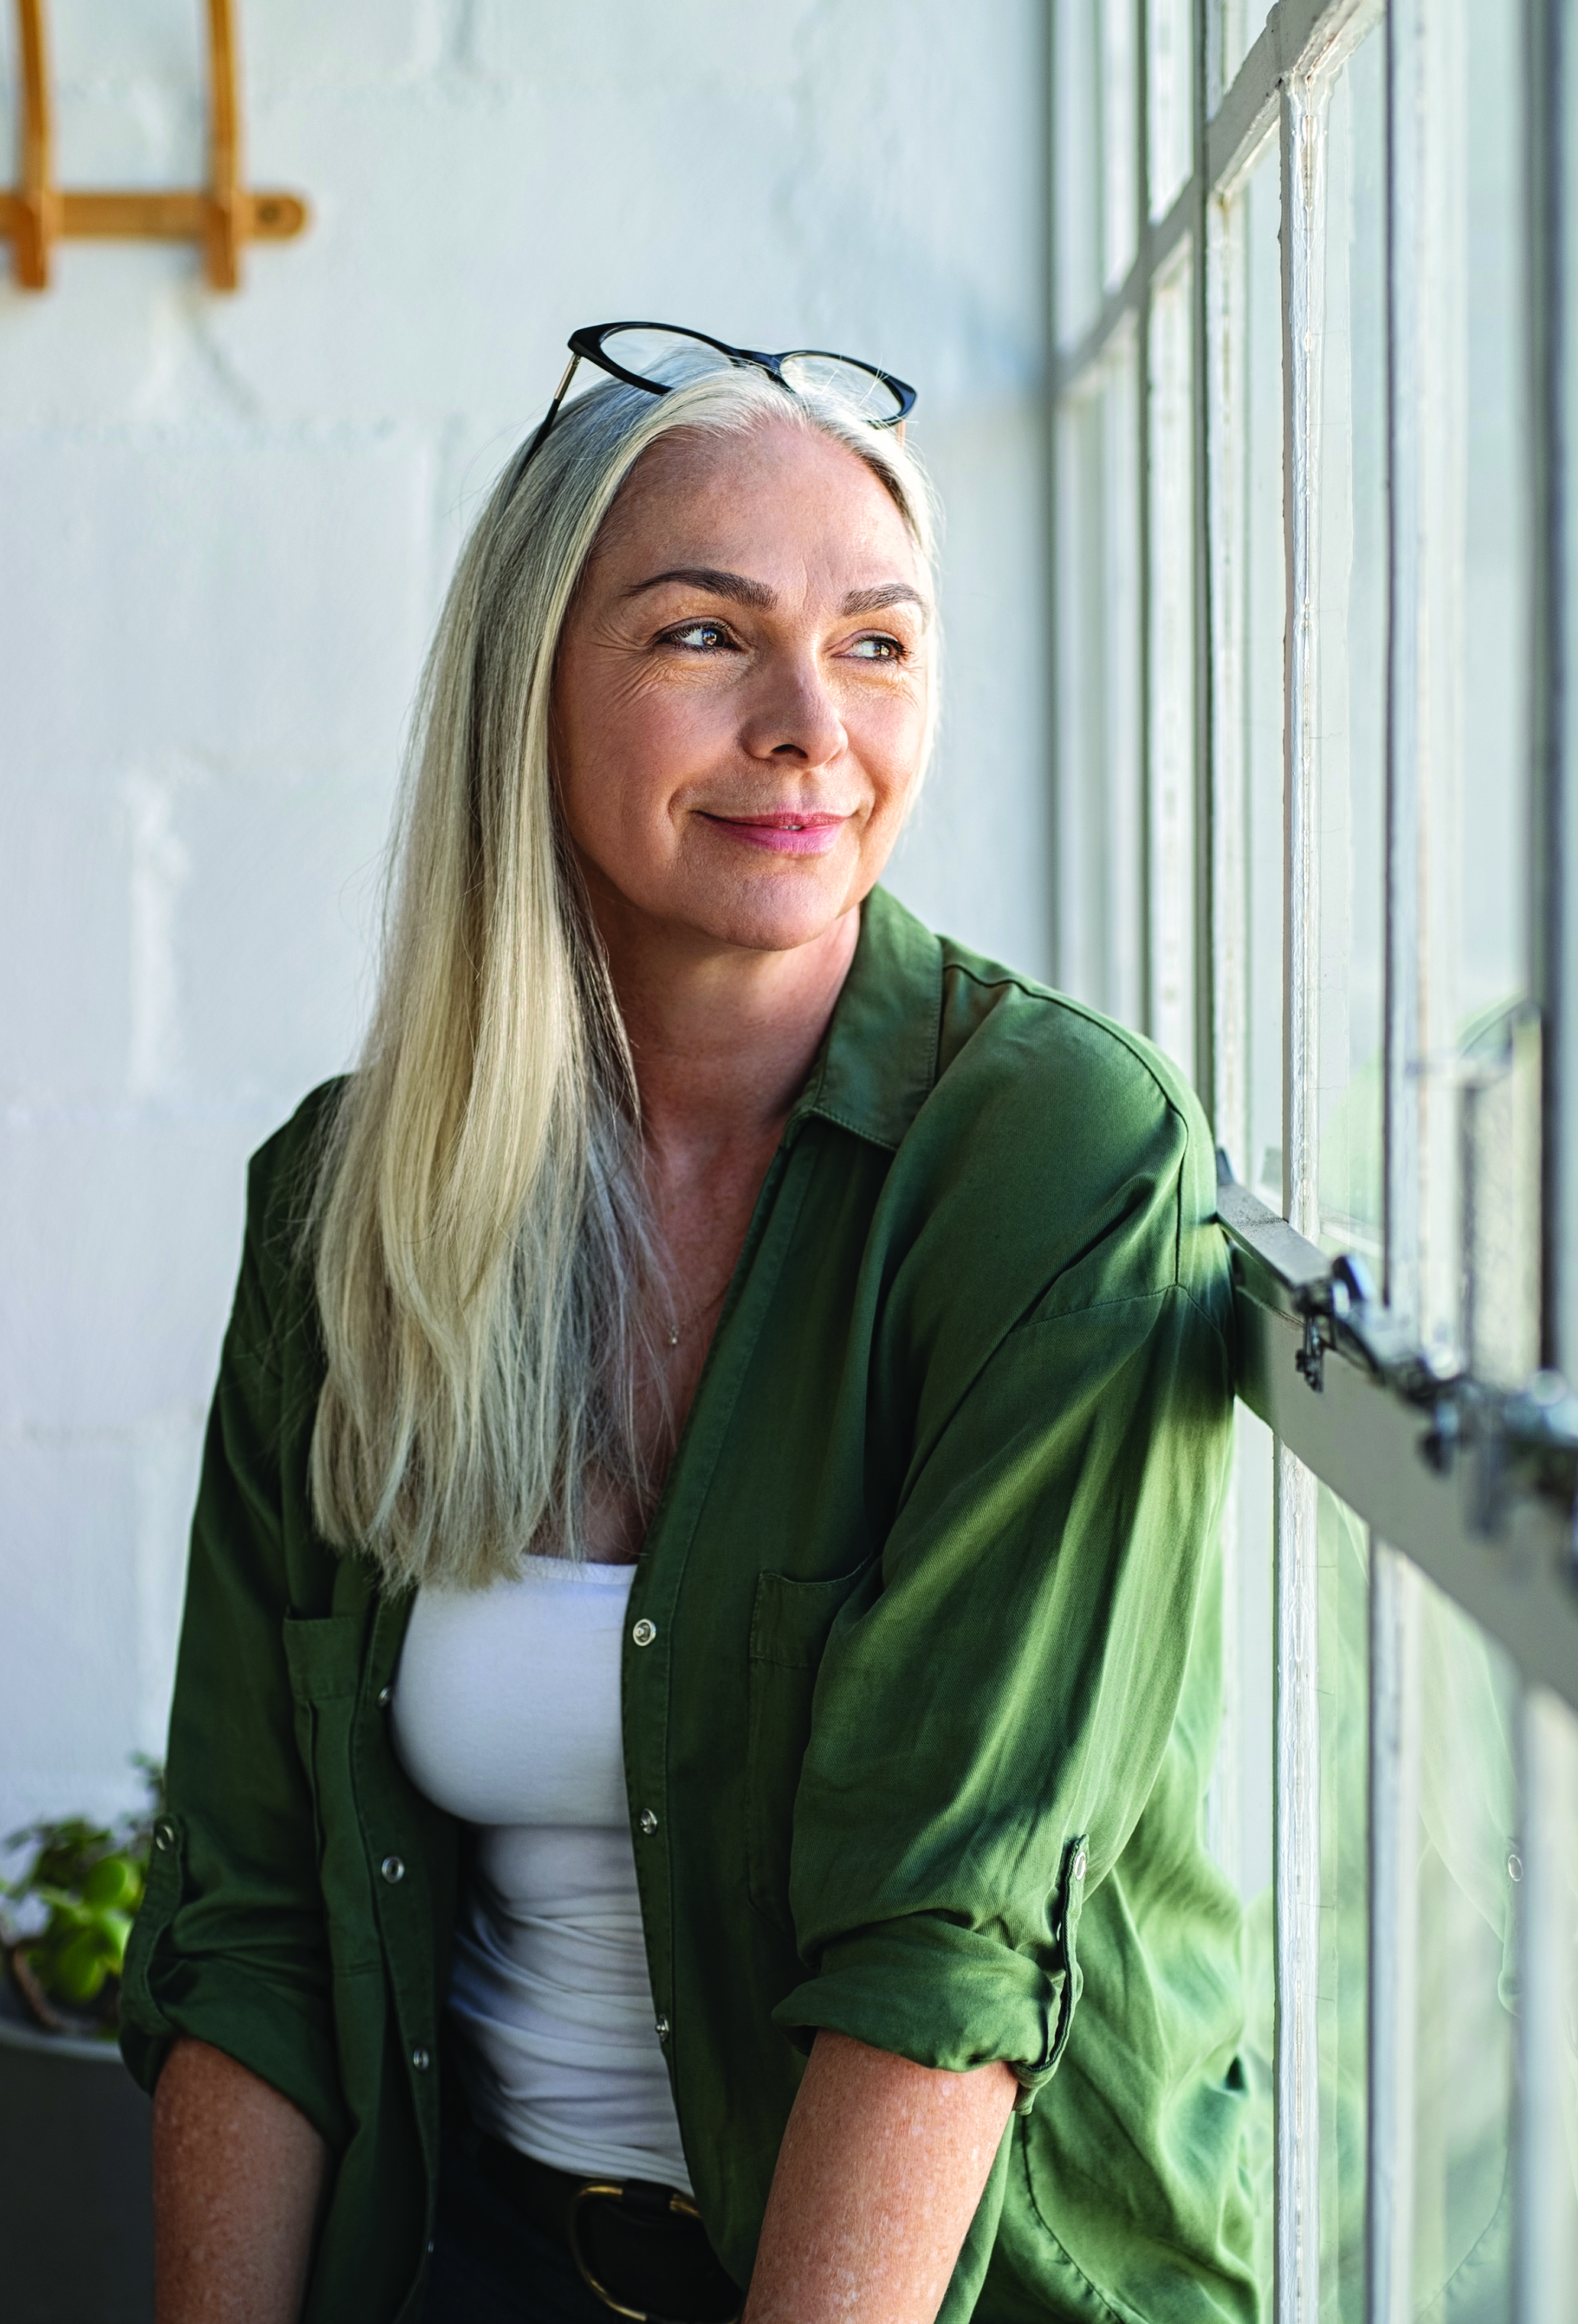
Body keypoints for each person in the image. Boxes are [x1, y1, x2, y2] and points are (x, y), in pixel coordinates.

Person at [118, 323, 1254, 2324]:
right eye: (704, 637)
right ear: (529, 693)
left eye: (879, 643)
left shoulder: (1055, 1167)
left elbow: (945, 1953)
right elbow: (257, 1910)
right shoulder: (343, 1204)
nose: (812, 723)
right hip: (471, 2256)